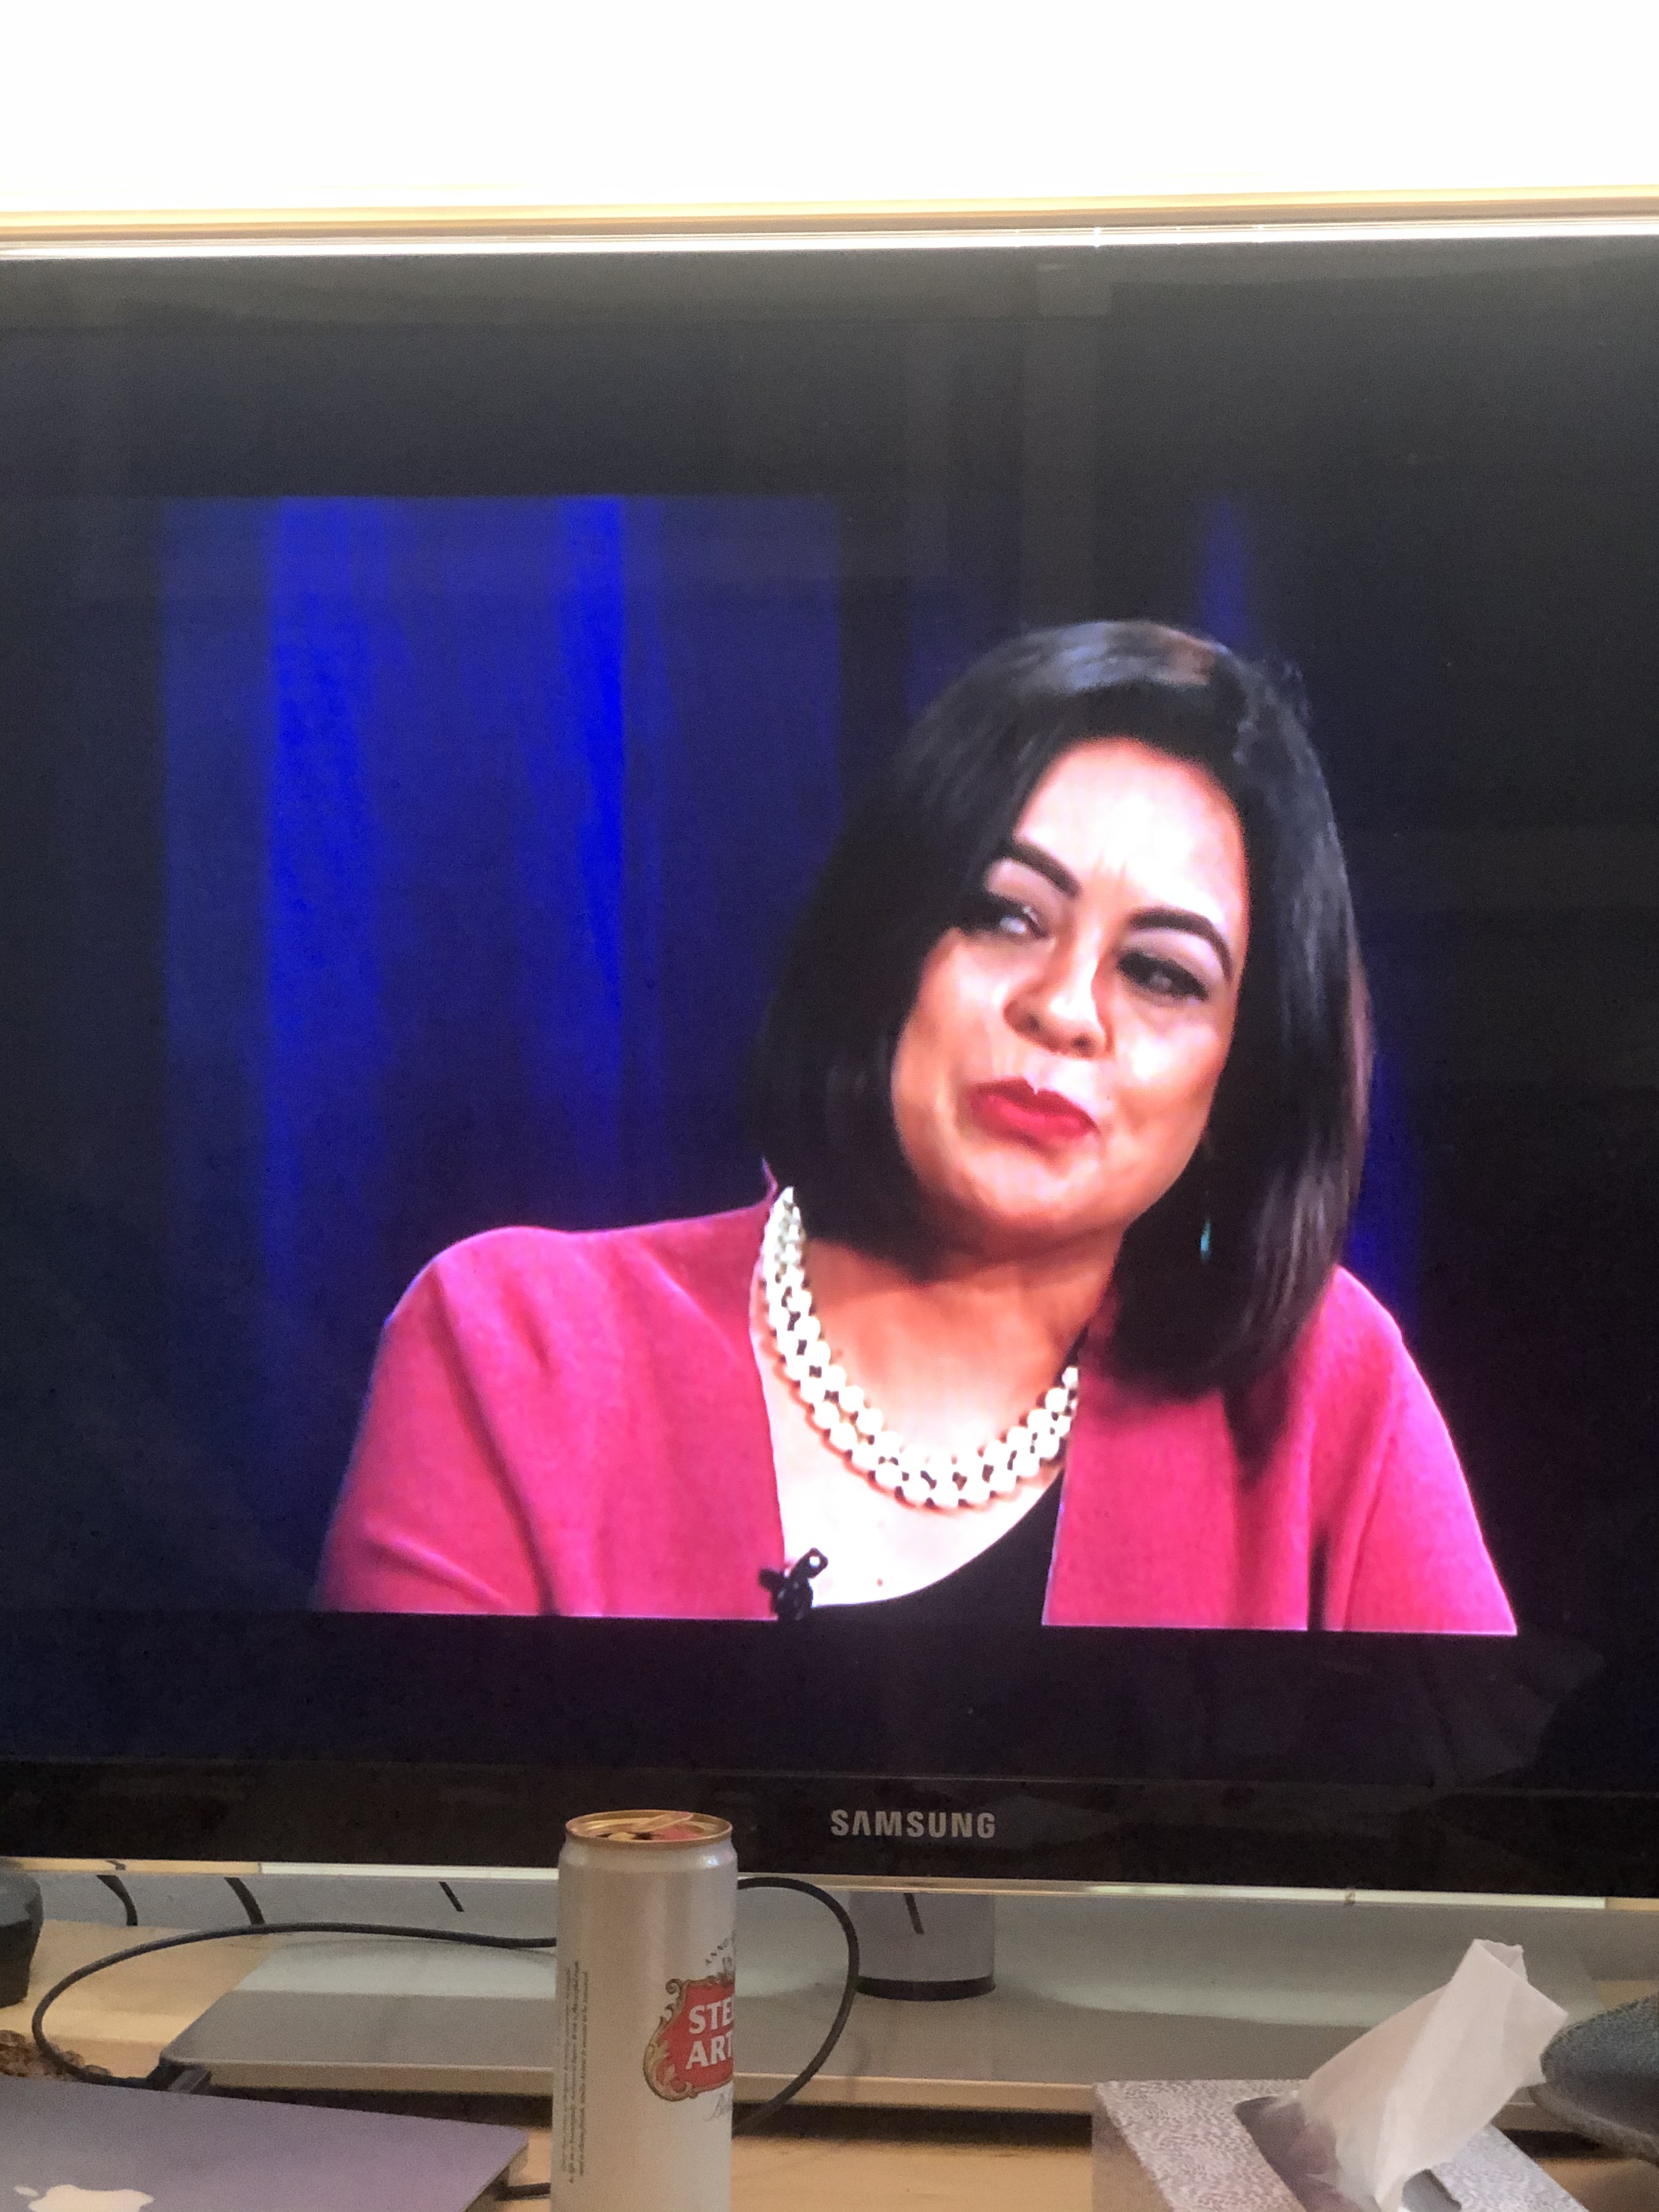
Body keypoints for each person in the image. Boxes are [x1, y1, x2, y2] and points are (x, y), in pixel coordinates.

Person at [316, 622, 1515, 1632]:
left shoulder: (1323, 1406)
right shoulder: (516, 1356)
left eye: (1161, 974)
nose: (1063, 1008)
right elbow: (425, 1844)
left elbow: (1488, 1839)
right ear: (888, 943)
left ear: (1242, 1078)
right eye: (1005, 914)